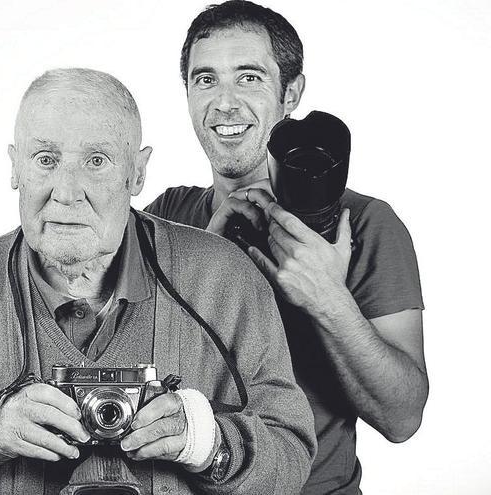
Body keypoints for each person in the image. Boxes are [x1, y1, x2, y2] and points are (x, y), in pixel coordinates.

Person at [0, 68, 315, 494]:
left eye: (96, 160)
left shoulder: (225, 281)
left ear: (138, 171)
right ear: (15, 167)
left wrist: (210, 444)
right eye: (45, 159)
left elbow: (292, 454)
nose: (66, 191)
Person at [145, 2, 428, 493]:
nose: (224, 103)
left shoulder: (362, 224)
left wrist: (327, 300)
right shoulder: (169, 214)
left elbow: (402, 417)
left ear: (290, 92)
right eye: (205, 79)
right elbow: (123, 359)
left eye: (249, 78)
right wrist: (208, 258)